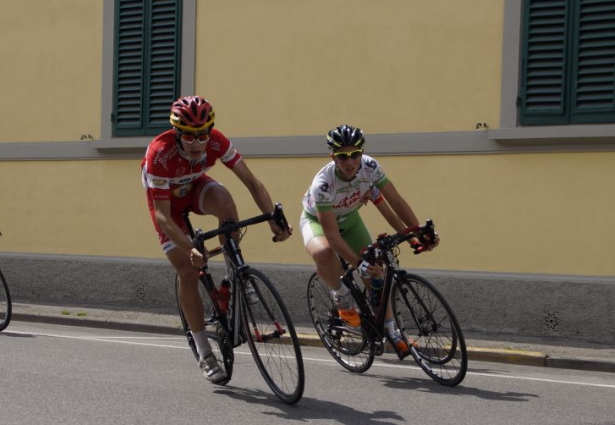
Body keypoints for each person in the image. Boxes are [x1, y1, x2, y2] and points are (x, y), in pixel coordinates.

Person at [141, 96, 291, 384]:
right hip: (167, 206)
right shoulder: (159, 154)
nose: (197, 143)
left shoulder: (216, 141)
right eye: (189, 135)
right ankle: (204, 351)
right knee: (187, 269)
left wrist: (273, 217)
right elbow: (162, 217)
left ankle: (230, 279)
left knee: (226, 203)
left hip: (194, 186)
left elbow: (252, 181)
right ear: (176, 132)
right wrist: (189, 249)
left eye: (202, 134)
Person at [300, 124, 438, 357]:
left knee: (376, 273)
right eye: (343, 156)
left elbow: (394, 202)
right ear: (333, 157)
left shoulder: (370, 169)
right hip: (317, 222)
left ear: (361, 154)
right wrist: (357, 263)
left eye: (355, 154)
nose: (350, 161)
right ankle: (341, 297)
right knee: (324, 253)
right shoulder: (323, 184)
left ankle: (392, 333)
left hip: (351, 220)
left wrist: (417, 233)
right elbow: (332, 235)